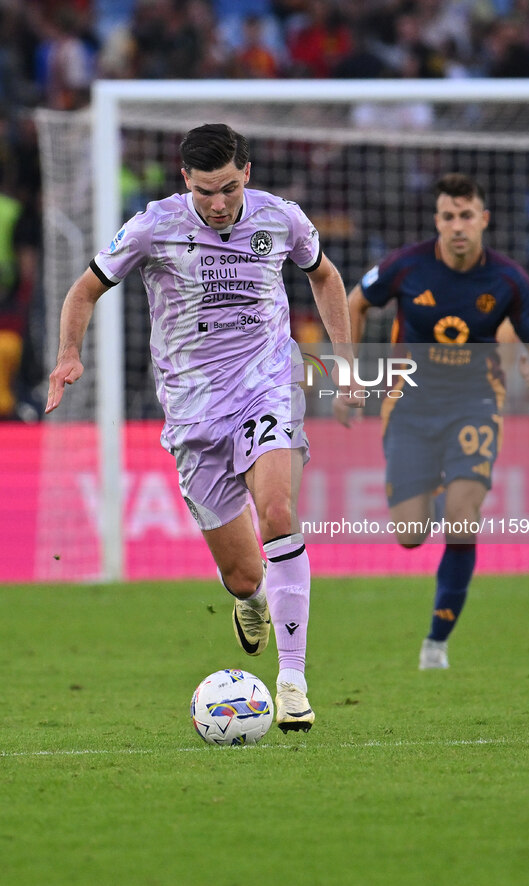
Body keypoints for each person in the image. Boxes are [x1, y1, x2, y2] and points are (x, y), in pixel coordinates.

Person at [46, 122, 360, 731]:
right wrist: (68, 354)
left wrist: (345, 358)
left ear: (247, 174)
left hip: (267, 383)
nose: (218, 205)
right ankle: (254, 601)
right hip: (192, 412)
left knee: (277, 511)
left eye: (229, 190)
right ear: (184, 178)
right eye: (205, 191)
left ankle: (292, 683)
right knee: (243, 575)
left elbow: (323, 275)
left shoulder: (281, 219)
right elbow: (84, 290)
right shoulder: (153, 226)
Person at [335, 172, 529, 669]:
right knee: (409, 535)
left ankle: (436, 642)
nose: (458, 226)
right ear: (437, 221)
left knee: (462, 519)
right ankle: (435, 498)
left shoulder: (507, 278)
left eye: (467, 216)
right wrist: (349, 375)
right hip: (409, 405)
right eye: (449, 217)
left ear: (483, 220)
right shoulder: (407, 266)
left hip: (475, 403)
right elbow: (355, 300)